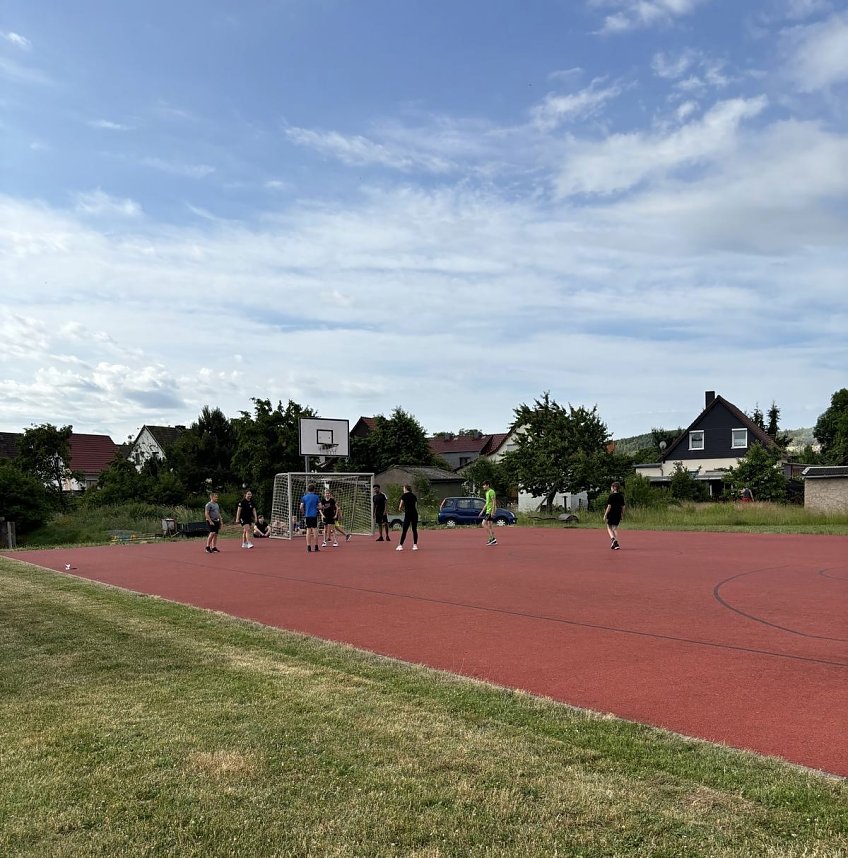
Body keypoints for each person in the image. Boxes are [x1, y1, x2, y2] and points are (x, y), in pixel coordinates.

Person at [299, 483, 322, 552]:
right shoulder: (316, 497)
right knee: (315, 530)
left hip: (307, 515)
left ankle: (308, 546)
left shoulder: (304, 497)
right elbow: (320, 507)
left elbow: (301, 507)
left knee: (308, 530)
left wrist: (304, 512)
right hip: (314, 515)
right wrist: (317, 508)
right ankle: (316, 546)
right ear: (314, 490)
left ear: (308, 490)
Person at [396, 483, 419, 551]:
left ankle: (400, 545)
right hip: (414, 514)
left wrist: (403, 510)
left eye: (403, 488)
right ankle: (415, 545)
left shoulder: (403, 496)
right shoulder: (414, 496)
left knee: (404, 530)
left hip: (408, 515)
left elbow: (400, 507)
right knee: (414, 529)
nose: (403, 489)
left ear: (405, 489)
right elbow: (416, 506)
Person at [603, 481, 625, 550]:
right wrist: (622, 514)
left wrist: (605, 514)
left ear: (614, 488)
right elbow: (623, 507)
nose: (611, 488)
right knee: (615, 528)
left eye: (611, 487)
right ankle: (616, 543)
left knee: (609, 527)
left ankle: (613, 540)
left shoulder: (611, 496)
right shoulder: (621, 496)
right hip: (618, 513)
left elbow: (609, 506)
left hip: (612, 513)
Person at [478, 480, 498, 546]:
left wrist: (492, 511)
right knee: (490, 525)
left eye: (484, 485)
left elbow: (494, 502)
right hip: (487, 511)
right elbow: (487, 503)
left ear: (488, 485)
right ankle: (492, 539)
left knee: (483, 523)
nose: (483, 486)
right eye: (483, 485)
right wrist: (482, 511)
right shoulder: (487, 492)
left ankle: (492, 538)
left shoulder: (491, 491)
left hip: (490, 511)